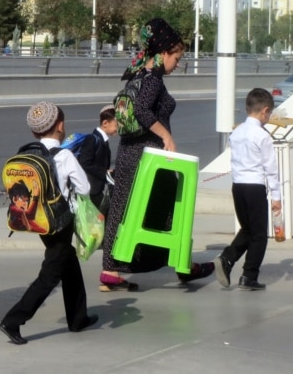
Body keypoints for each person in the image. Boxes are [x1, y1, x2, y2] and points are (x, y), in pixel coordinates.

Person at [100, 18, 215, 292]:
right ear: (163, 53)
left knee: (123, 208)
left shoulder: (137, 73)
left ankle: (110, 271)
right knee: (173, 208)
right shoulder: (153, 79)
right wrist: (166, 135)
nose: (178, 64)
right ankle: (183, 265)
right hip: (149, 158)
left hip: (129, 152)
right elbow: (141, 111)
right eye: (177, 57)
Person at [0, 101, 99, 345]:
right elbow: (85, 187)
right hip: (60, 221)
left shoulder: (28, 154)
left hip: (38, 220)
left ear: (35, 131)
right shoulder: (63, 155)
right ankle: (13, 320)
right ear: (60, 125)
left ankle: (78, 318)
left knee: (68, 261)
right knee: (50, 275)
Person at [213, 88, 282, 291]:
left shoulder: (237, 132)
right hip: (254, 186)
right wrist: (276, 197)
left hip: (238, 186)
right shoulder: (262, 136)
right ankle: (249, 275)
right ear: (265, 111)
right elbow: (271, 169)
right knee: (259, 234)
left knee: (247, 229)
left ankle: (227, 258)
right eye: (269, 114)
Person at [75, 104, 118, 212]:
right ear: (105, 123)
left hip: (97, 189)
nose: (119, 128)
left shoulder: (102, 140)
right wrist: (104, 172)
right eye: (117, 124)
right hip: (91, 189)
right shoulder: (92, 139)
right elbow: (84, 163)